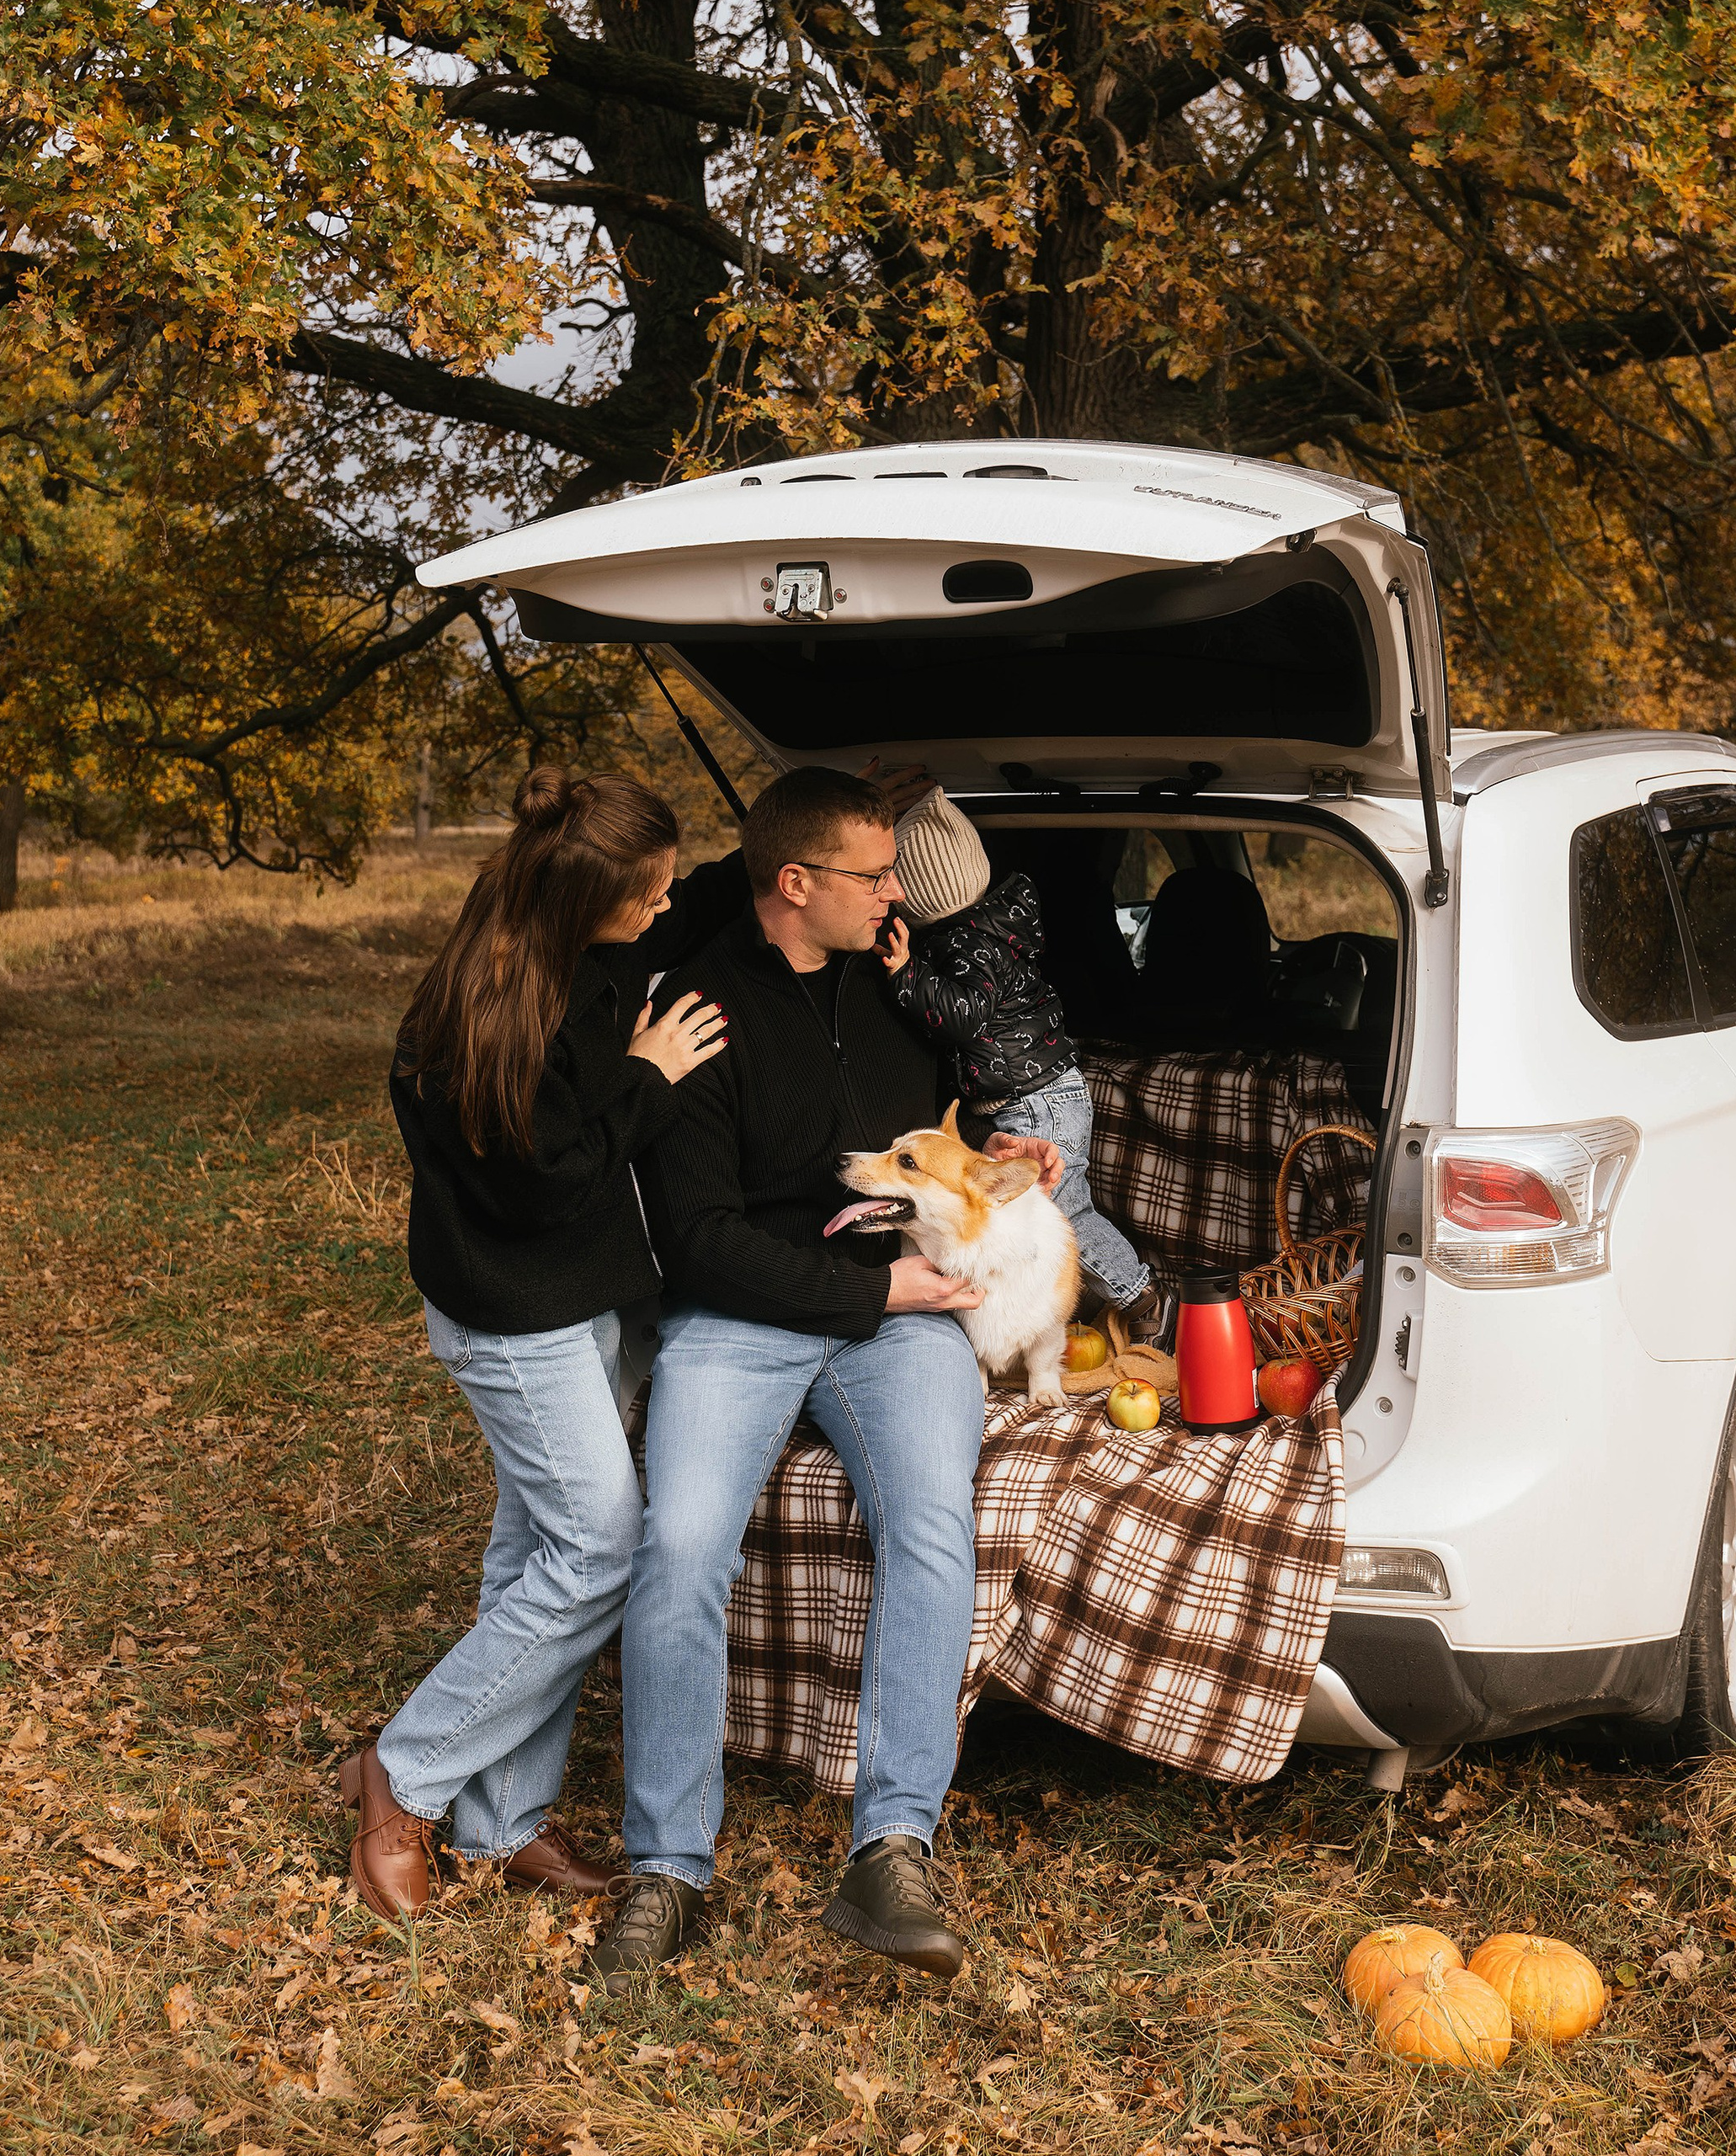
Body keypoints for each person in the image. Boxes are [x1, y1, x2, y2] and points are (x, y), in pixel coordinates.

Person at [594, 766, 1062, 1991]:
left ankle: (893, 1847)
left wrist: (998, 1160)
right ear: (795, 886)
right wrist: (873, 1293)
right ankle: (667, 1869)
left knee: (934, 1524)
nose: (895, 891)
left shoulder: (899, 984)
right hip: (743, 1318)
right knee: (684, 1541)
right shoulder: (700, 1010)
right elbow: (696, 1237)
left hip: (900, 1315)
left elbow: (949, 1143)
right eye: (873, 873)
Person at [343, 768, 727, 1921]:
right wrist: (648, 1080)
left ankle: (502, 1823)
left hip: (589, 1301)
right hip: (515, 1316)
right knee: (597, 1554)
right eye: (646, 896)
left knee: (534, 1557)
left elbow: (700, 897)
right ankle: (403, 1778)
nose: (663, 911)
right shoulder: (487, 1016)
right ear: (583, 900)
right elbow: (548, 1187)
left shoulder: (585, 948)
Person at [883, 785, 1153, 1318]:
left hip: (1036, 1101)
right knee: (1039, 1212)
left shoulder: (969, 946)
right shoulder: (987, 932)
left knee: (1063, 1212)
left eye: (892, 879)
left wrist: (904, 974)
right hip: (1040, 1093)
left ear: (920, 898)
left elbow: (963, 1018)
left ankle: (1141, 1299)